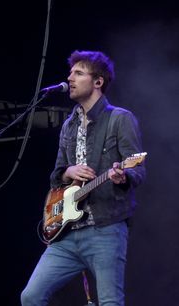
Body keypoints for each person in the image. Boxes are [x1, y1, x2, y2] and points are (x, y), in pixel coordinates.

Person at [20, 50, 146, 306]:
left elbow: (138, 169)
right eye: (70, 73)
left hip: (105, 229)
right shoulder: (69, 125)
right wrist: (69, 171)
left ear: (98, 81)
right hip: (66, 234)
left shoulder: (120, 119)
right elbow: (56, 175)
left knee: (110, 301)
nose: (70, 78)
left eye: (78, 73)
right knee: (31, 296)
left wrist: (122, 176)